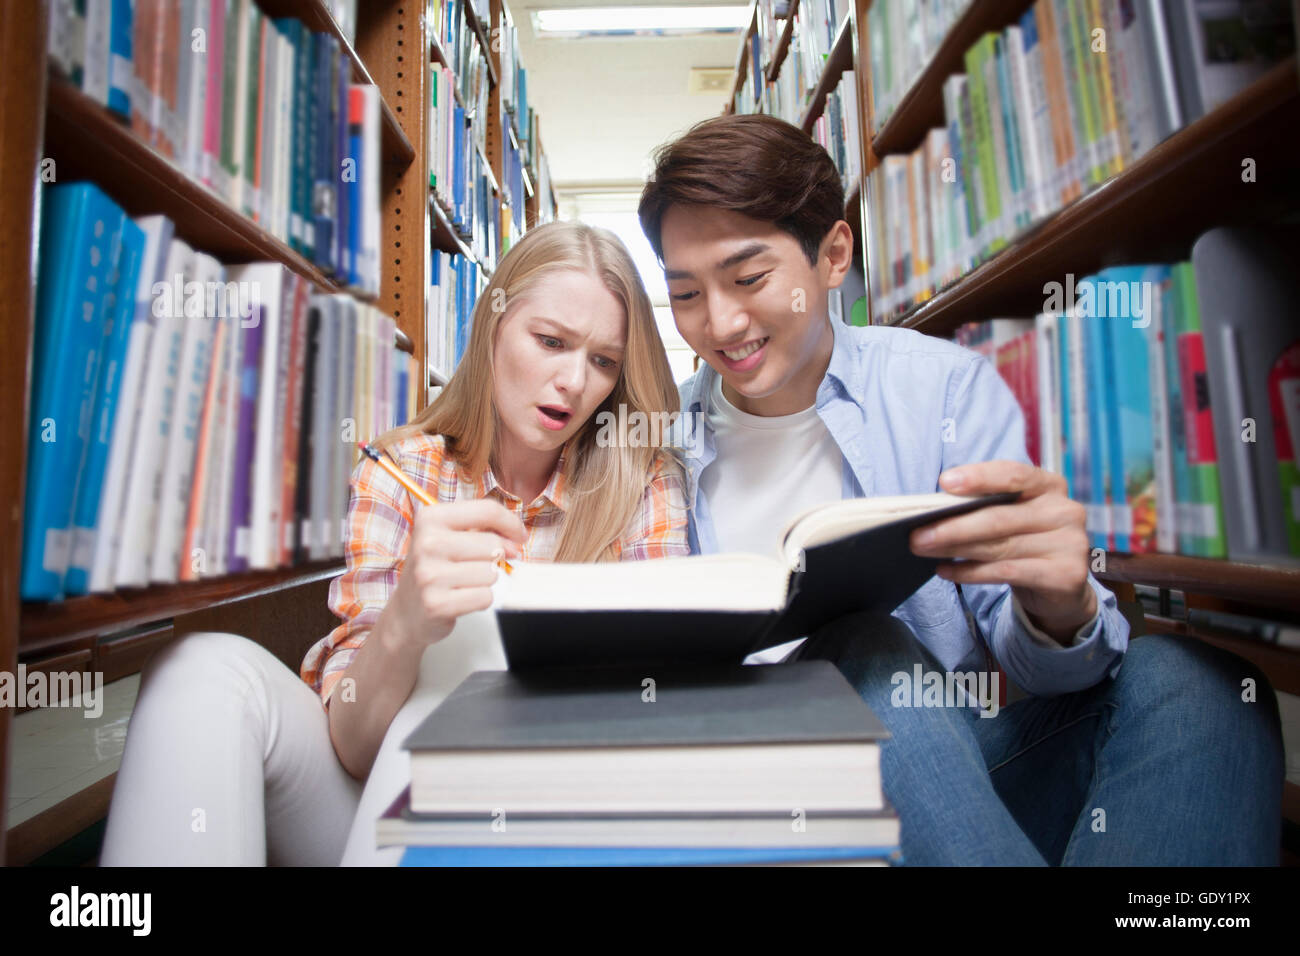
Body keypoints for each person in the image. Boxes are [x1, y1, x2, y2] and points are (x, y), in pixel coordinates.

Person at [637, 113, 1284, 865]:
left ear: (834, 254)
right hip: (767, 819)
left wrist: (1057, 603)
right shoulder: (656, 443)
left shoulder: (942, 388)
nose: (720, 323)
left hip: (945, 799)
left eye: (749, 279)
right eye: (685, 294)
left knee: (1198, 685)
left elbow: (1052, 672)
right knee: (859, 645)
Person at [100, 221, 690, 865]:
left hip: (566, 813)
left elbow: (656, 708)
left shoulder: (644, 481)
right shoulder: (400, 471)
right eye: (550, 341)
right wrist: (407, 624)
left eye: (603, 360)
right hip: (390, 796)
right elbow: (353, 749)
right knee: (199, 670)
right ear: (491, 330)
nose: (574, 381)